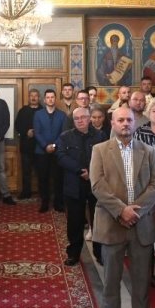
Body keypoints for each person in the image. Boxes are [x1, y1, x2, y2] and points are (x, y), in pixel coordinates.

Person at [90, 105, 155, 308]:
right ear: (112, 123)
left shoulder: (149, 150)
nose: (125, 124)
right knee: (111, 282)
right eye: (120, 120)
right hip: (112, 223)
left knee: (141, 282)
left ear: (135, 123)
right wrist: (121, 210)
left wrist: (136, 211)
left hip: (141, 225)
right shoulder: (99, 150)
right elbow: (97, 185)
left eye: (129, 120)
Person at [57, 106, 101, 266]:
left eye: (83, 117)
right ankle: (74, 253)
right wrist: (79, 170)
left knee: (98, 220)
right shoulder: (65, 137)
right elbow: (61, 157)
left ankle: (100, 253)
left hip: (96, 183)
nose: (80, 120)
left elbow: (105, 157)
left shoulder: (100, 136)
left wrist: (91, 172)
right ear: (73, 121)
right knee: (74, 222)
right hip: (74, 184)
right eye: (77, 118)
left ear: (89, 118)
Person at [33, 88, 67, 213]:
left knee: (58, 178)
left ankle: (58, 203)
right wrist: (45, 146)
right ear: (44, 99)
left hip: (57, 151)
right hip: (41, 152)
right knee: (43, 178)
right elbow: (37, 132)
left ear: (55, 99)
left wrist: (54, 146)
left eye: (52, 97)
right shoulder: (38, 114)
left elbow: (63, 133)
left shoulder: (62, 115)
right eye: (48, 97)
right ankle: (45, 202)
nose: (50, 99)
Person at [15, 89, 40, 199]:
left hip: (40, 147)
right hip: (26, 147)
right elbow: (17, 125)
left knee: (41, 172)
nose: (33, 98)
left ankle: (42, 193)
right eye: (31, 95)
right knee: (26, 172)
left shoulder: (43, 110)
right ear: (28, 97)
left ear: (39, 97)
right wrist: (26, 132)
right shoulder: (23, 111)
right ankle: (26, 192)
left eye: (35, 95)